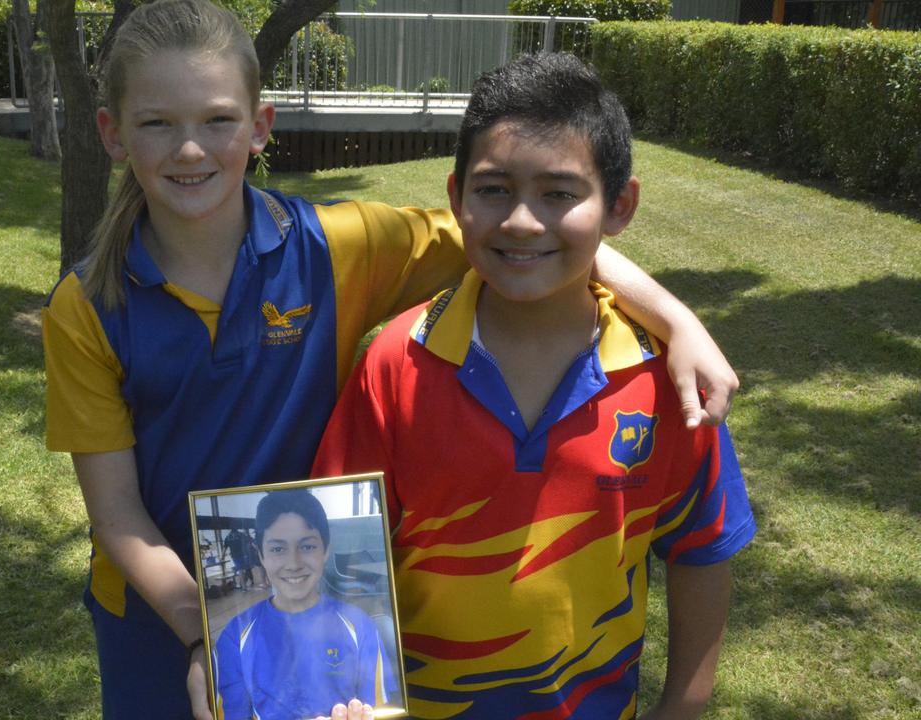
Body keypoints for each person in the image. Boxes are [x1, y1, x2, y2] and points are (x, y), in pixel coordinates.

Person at [41, 1, 740, 717]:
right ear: (113, 133)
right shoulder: (88, 309)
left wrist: (676, 320)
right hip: (162, 617)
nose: (190, 150)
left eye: (217, 119)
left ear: (259, 127)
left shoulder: (337, 248)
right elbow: (117, 514)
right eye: (157, 123)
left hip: (317, 596)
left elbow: (522, 237)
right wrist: (204, 635)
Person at [311, 53, 757, 719]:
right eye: (494, 190)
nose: (522, 221)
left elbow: (702, 549)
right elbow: (338, 560)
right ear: (457, 196)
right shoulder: (396, 364)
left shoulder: (667, 380)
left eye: (560, 194)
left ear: (620, 205)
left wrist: (683, 707)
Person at [214, 491, 395, 719]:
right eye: (278, 549)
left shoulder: (360, 626)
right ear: (261, 556)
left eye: (307, 547)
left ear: (326, 550)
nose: (294, 563)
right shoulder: (234, 637)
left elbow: (378, 710)